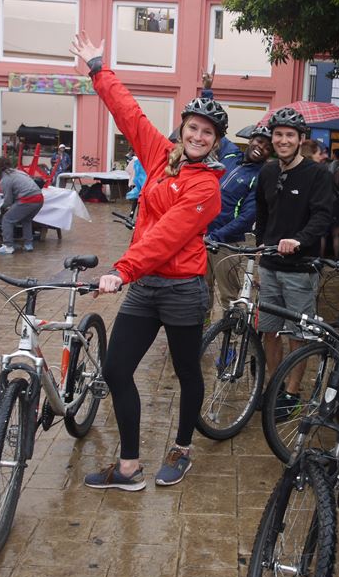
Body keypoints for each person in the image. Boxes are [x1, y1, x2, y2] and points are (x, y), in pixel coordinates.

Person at [71, 30, 226, 491]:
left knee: (186, 372)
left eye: (208, 132)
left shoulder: (207, 187)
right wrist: (98, 69)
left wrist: (122, 269)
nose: (198, 136)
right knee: (117, 370)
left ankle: (182, 449)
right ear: (183, 128)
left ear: (215, 142)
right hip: (145, 287)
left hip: (181, 289)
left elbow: (166, 236)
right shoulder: (161, 157)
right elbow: (129, 113)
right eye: (193, 127)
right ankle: (129, 467)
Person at [254, 107, 335, 418]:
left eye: (290, 135)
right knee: (270, 330)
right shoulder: (267, 172)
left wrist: (299, 240)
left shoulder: (317, 174)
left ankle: (292, 391)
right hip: (270, 265)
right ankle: (274, 386)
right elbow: (262, 214)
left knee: (297, 334)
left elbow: (323, 217)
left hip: (300, 268)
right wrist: (260, 246)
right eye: (278, 135)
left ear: (301, 139)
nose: (283, 140)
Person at [205, 123, 269, 314]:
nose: (261, 148)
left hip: (227, 244)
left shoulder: (260, 177)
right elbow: (215, 130)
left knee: (229, 297)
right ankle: (202, 328)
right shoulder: (231, 154)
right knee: (201, 291)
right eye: (259, 141)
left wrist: (216, 236)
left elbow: (247, 218)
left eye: (267, 147)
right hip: (202, 236)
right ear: (250, 139)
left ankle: (230, 332)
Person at [0, 155, 45, 254]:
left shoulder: (5, 179)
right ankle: (28, 245)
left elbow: (7, 202)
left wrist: (0, 209)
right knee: (26, 220)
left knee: (7, 219)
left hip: (27, 200)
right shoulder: (19, 172)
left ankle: (8, 246)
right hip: (39, 198)